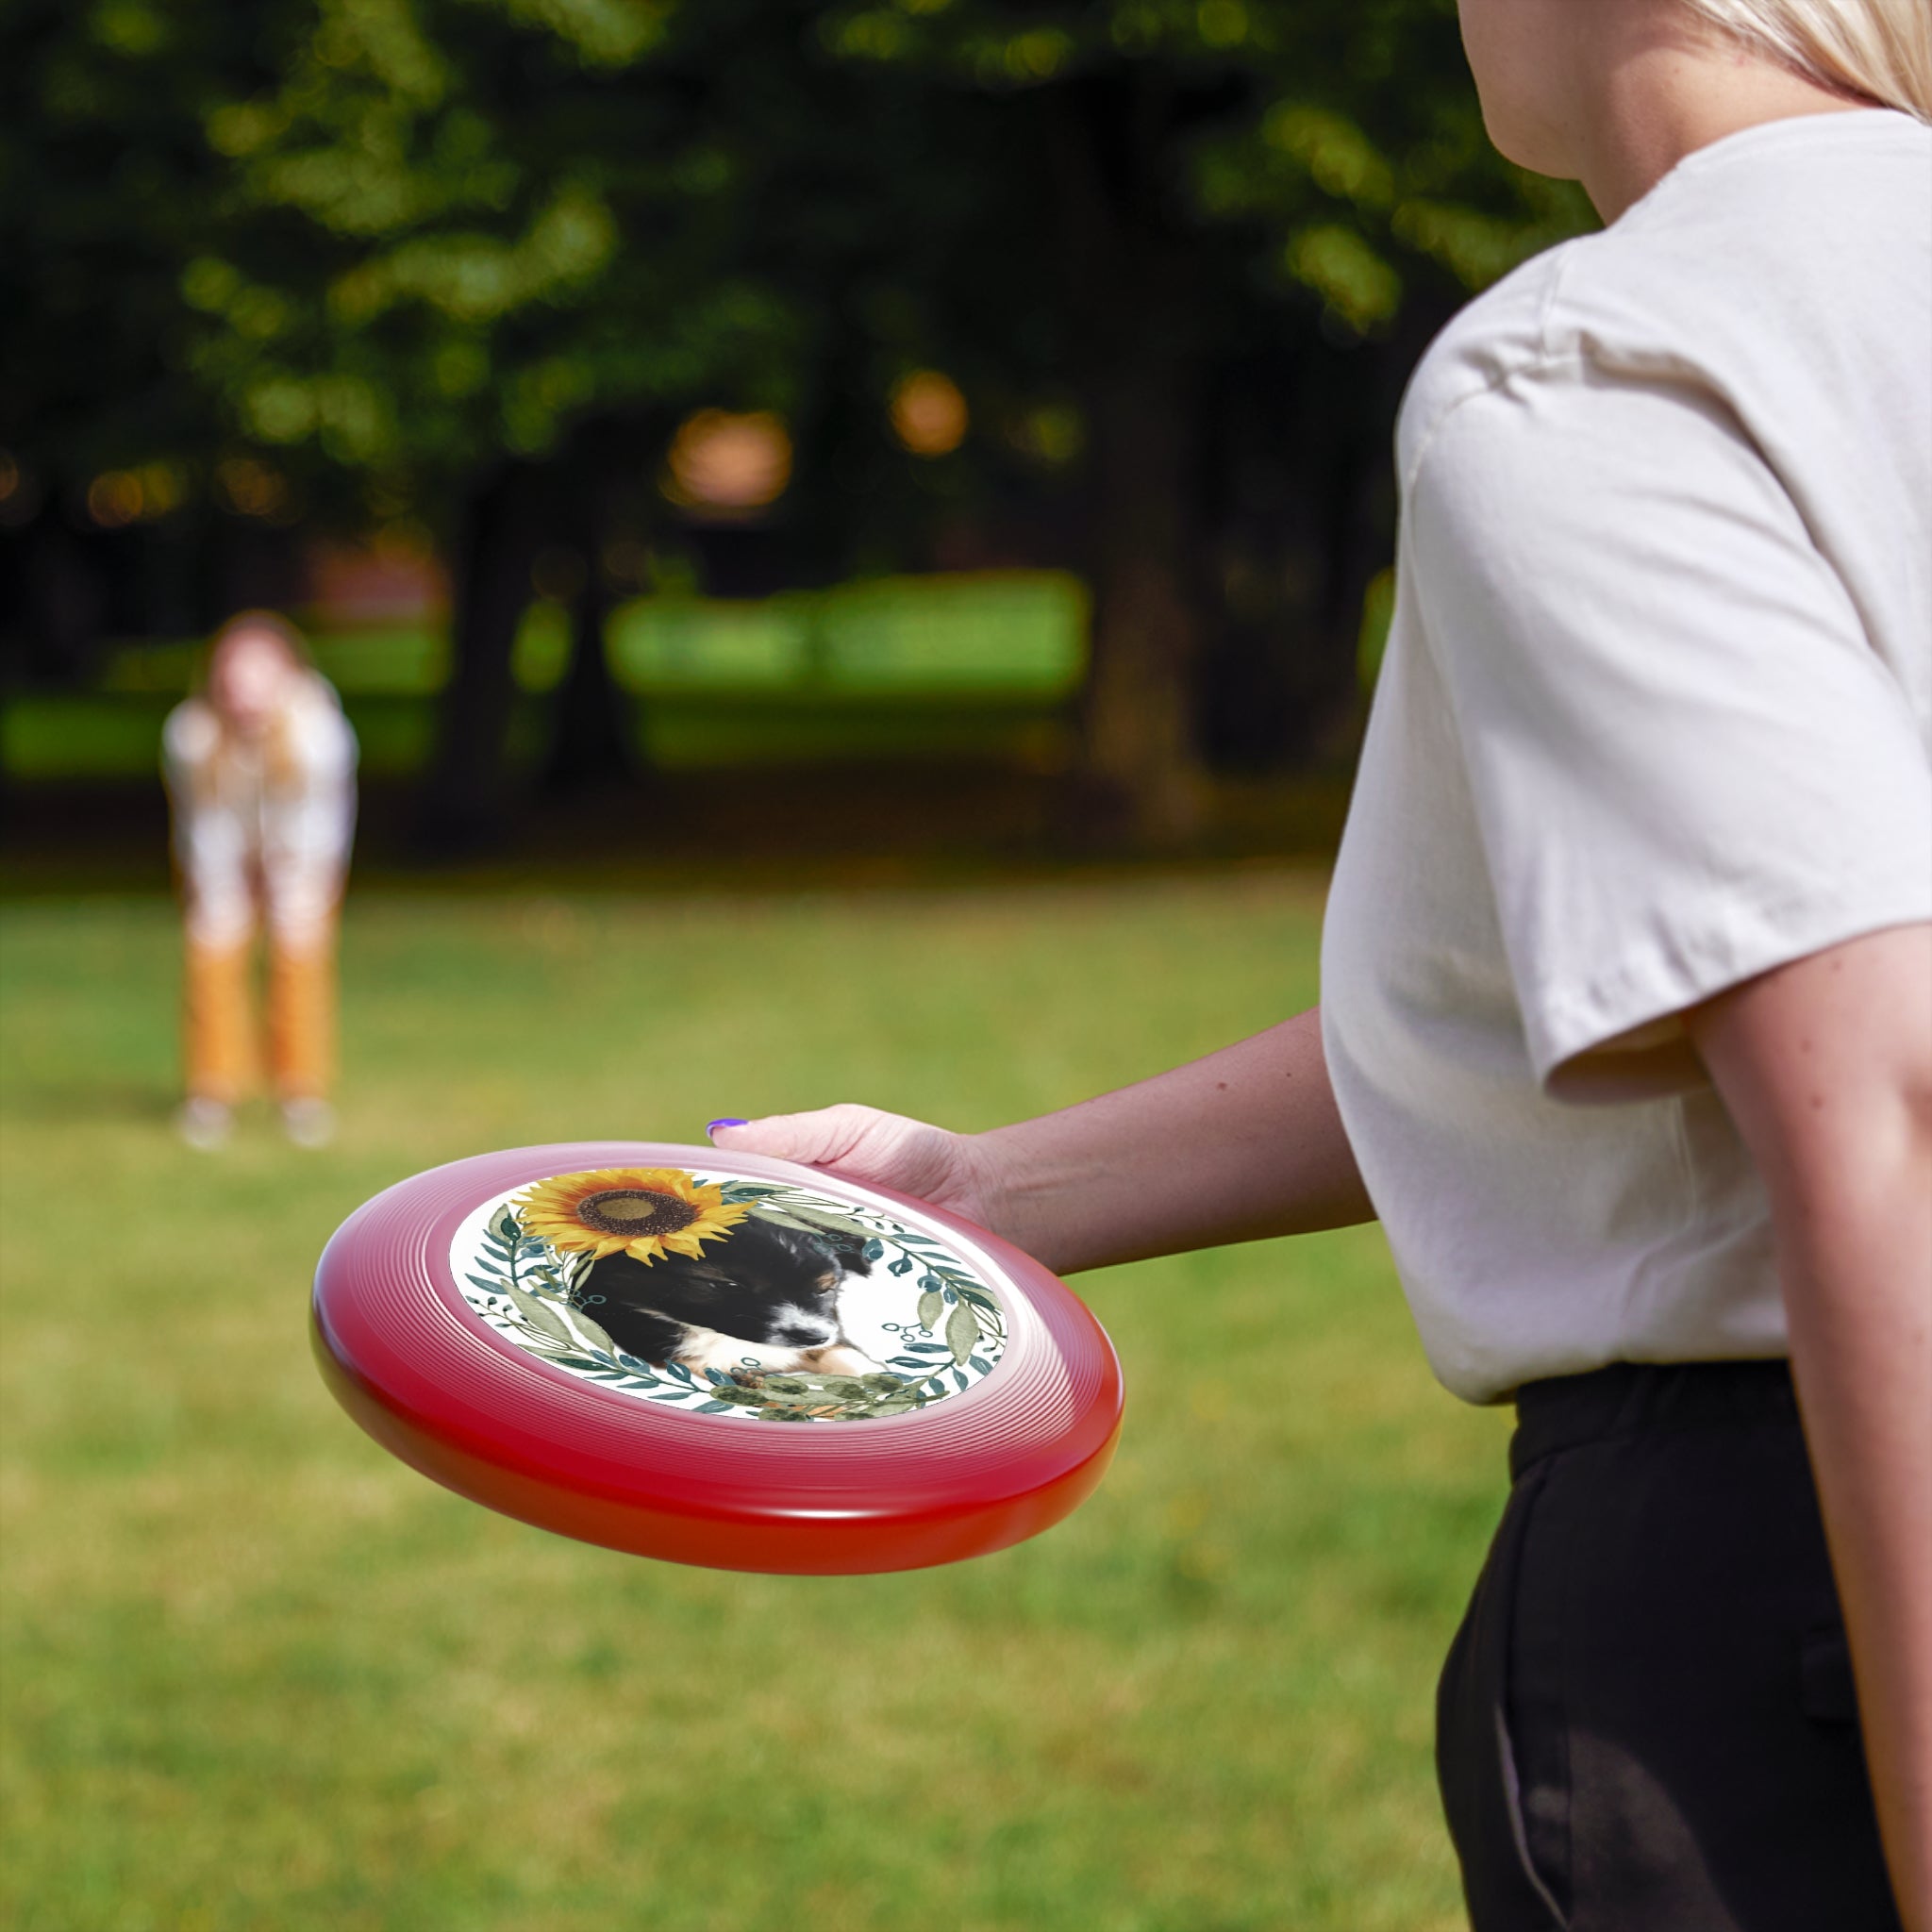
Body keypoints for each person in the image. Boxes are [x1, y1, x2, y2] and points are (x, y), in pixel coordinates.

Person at [705, 2, 1932, 1925]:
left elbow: (1885, 1101)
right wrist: (987, 1190)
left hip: (1793, 1595)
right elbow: (1621, 992)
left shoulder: (1609, 362)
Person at [162, 611, 358, 1150]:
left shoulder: (319, 733)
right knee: (212, 952)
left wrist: (287, 882)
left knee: (299, 958)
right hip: (221, 856)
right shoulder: (191, 735)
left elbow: (317, 824)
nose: (244, 691)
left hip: (302, 858)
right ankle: (212, 1091)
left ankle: (300, 1093)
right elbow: (204, 823)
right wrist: (224, 889)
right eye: (234, 675)